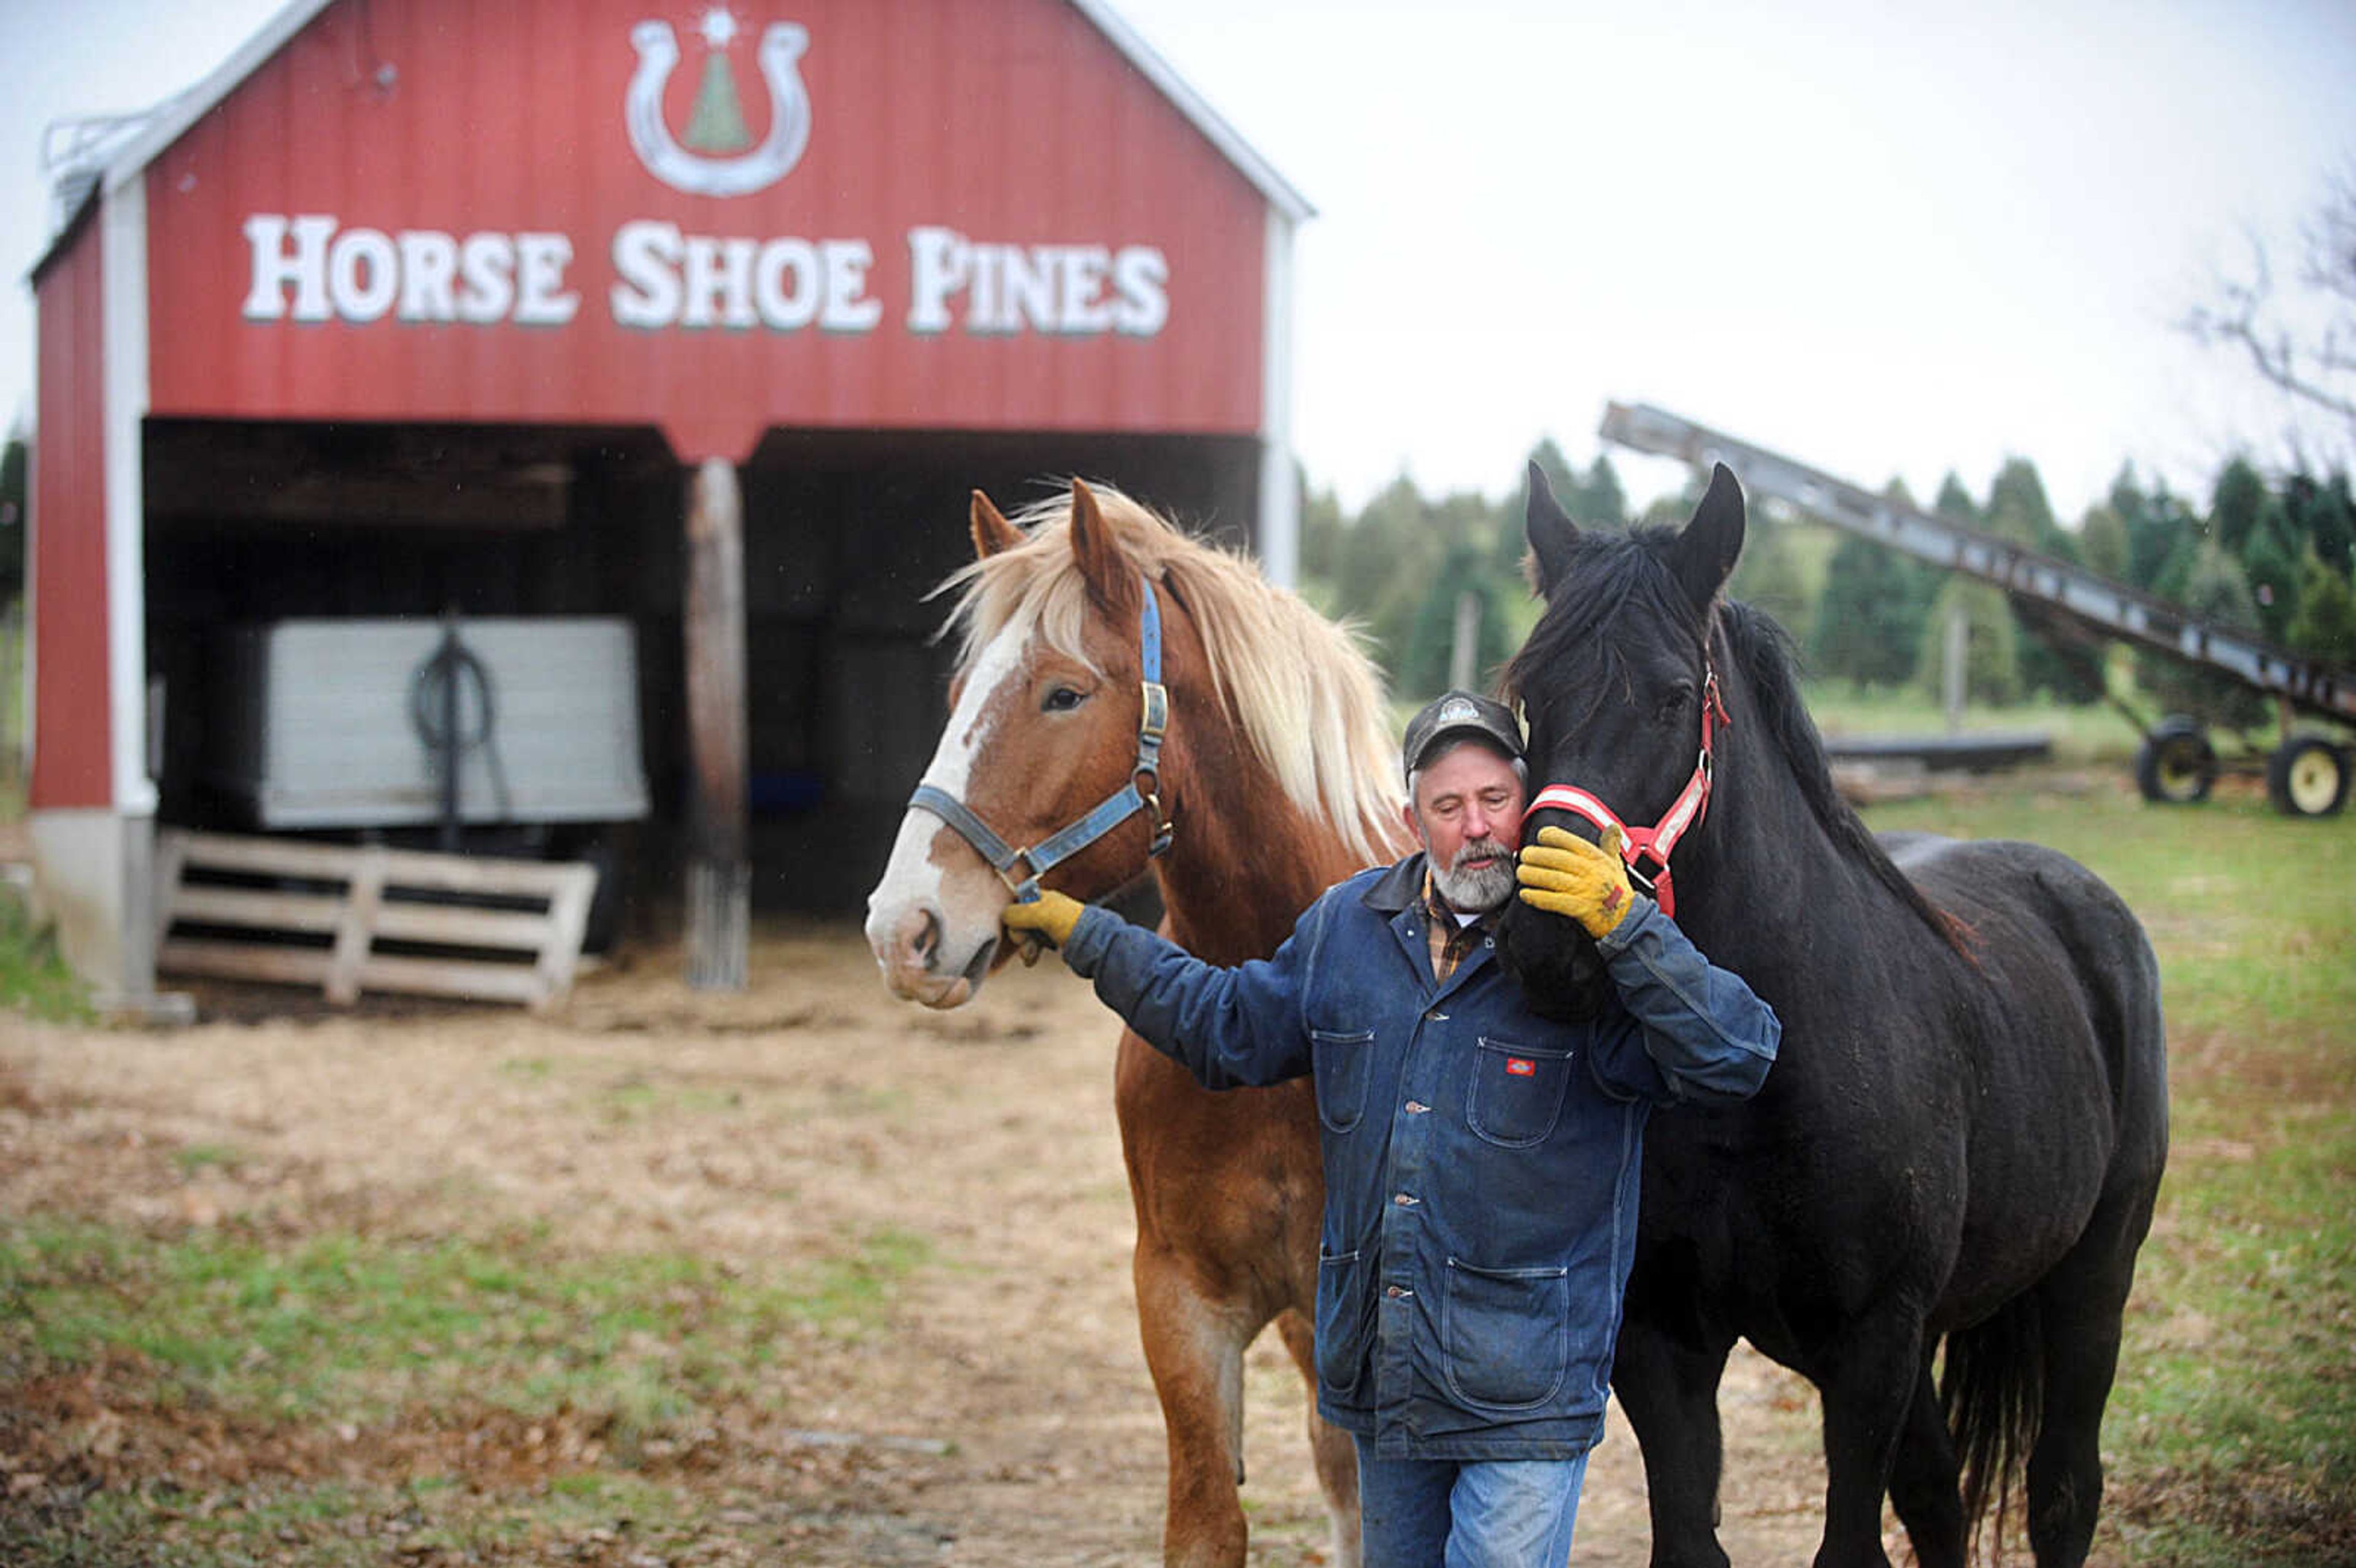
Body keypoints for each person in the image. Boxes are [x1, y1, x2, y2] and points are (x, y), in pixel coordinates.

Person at [1002, 690, 1779, 1567]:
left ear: (1528, 805)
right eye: (1448, 807)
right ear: (1413, 818)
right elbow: (1227, 1025)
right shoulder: (1349, 930)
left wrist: (1630, 928)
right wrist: (1093, 938)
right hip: (1388, 1384)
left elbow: (1736, 1057)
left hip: (1523, 1394)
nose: (1476, 828)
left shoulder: (1584, 954)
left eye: (1495, 801)